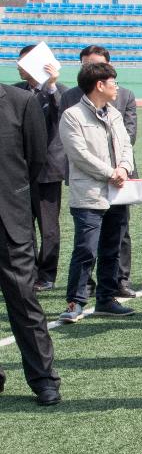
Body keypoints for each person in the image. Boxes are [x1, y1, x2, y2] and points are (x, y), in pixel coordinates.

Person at [57, 61, 135, 323]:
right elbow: (79, 155)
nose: (117, 86)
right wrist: (110, 172)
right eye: (113, 82)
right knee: (86, 249)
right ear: (99, 85)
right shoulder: (73, 115)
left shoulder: (114, 113)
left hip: (117, 191)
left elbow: (126, 145)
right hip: (90, 193)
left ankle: (105, 298)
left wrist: (124, 167)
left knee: (112, 248)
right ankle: (75, 301)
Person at [0, 83, 61, 405]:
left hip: (9, 221)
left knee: (23, 301)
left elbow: (36, 160)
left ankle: (44, 380)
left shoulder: (19, 101)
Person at [15, 44, 68, 291]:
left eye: (24, 62)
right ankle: (26, 272)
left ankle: (46, 275)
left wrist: (51, 85)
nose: (18, 66)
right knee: (21, 226)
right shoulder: (15, 92)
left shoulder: (59, 93)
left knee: (48, 228)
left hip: (47, 171)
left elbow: (62, 114)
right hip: (17, 171)